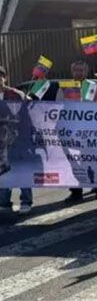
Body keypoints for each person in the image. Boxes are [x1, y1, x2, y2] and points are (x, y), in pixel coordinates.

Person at [58, 60, 97, 203]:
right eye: (76, 70)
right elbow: (58, 107)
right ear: (72, 71)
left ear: (86, 71)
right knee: (73, 163)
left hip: (90, 132)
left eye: (81, 70)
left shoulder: (95, 87)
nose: (79, 73)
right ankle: (76, 192)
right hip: (71, 132)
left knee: (94, 161)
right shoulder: (64, 87)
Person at [0, 65, 32, 214]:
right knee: (3, 173)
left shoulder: (16, 95)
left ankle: (26, 201)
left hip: (17, 140)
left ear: (5, 78)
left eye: (0, 76)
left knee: (22, 170)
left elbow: (27, 117)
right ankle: (4, 202)